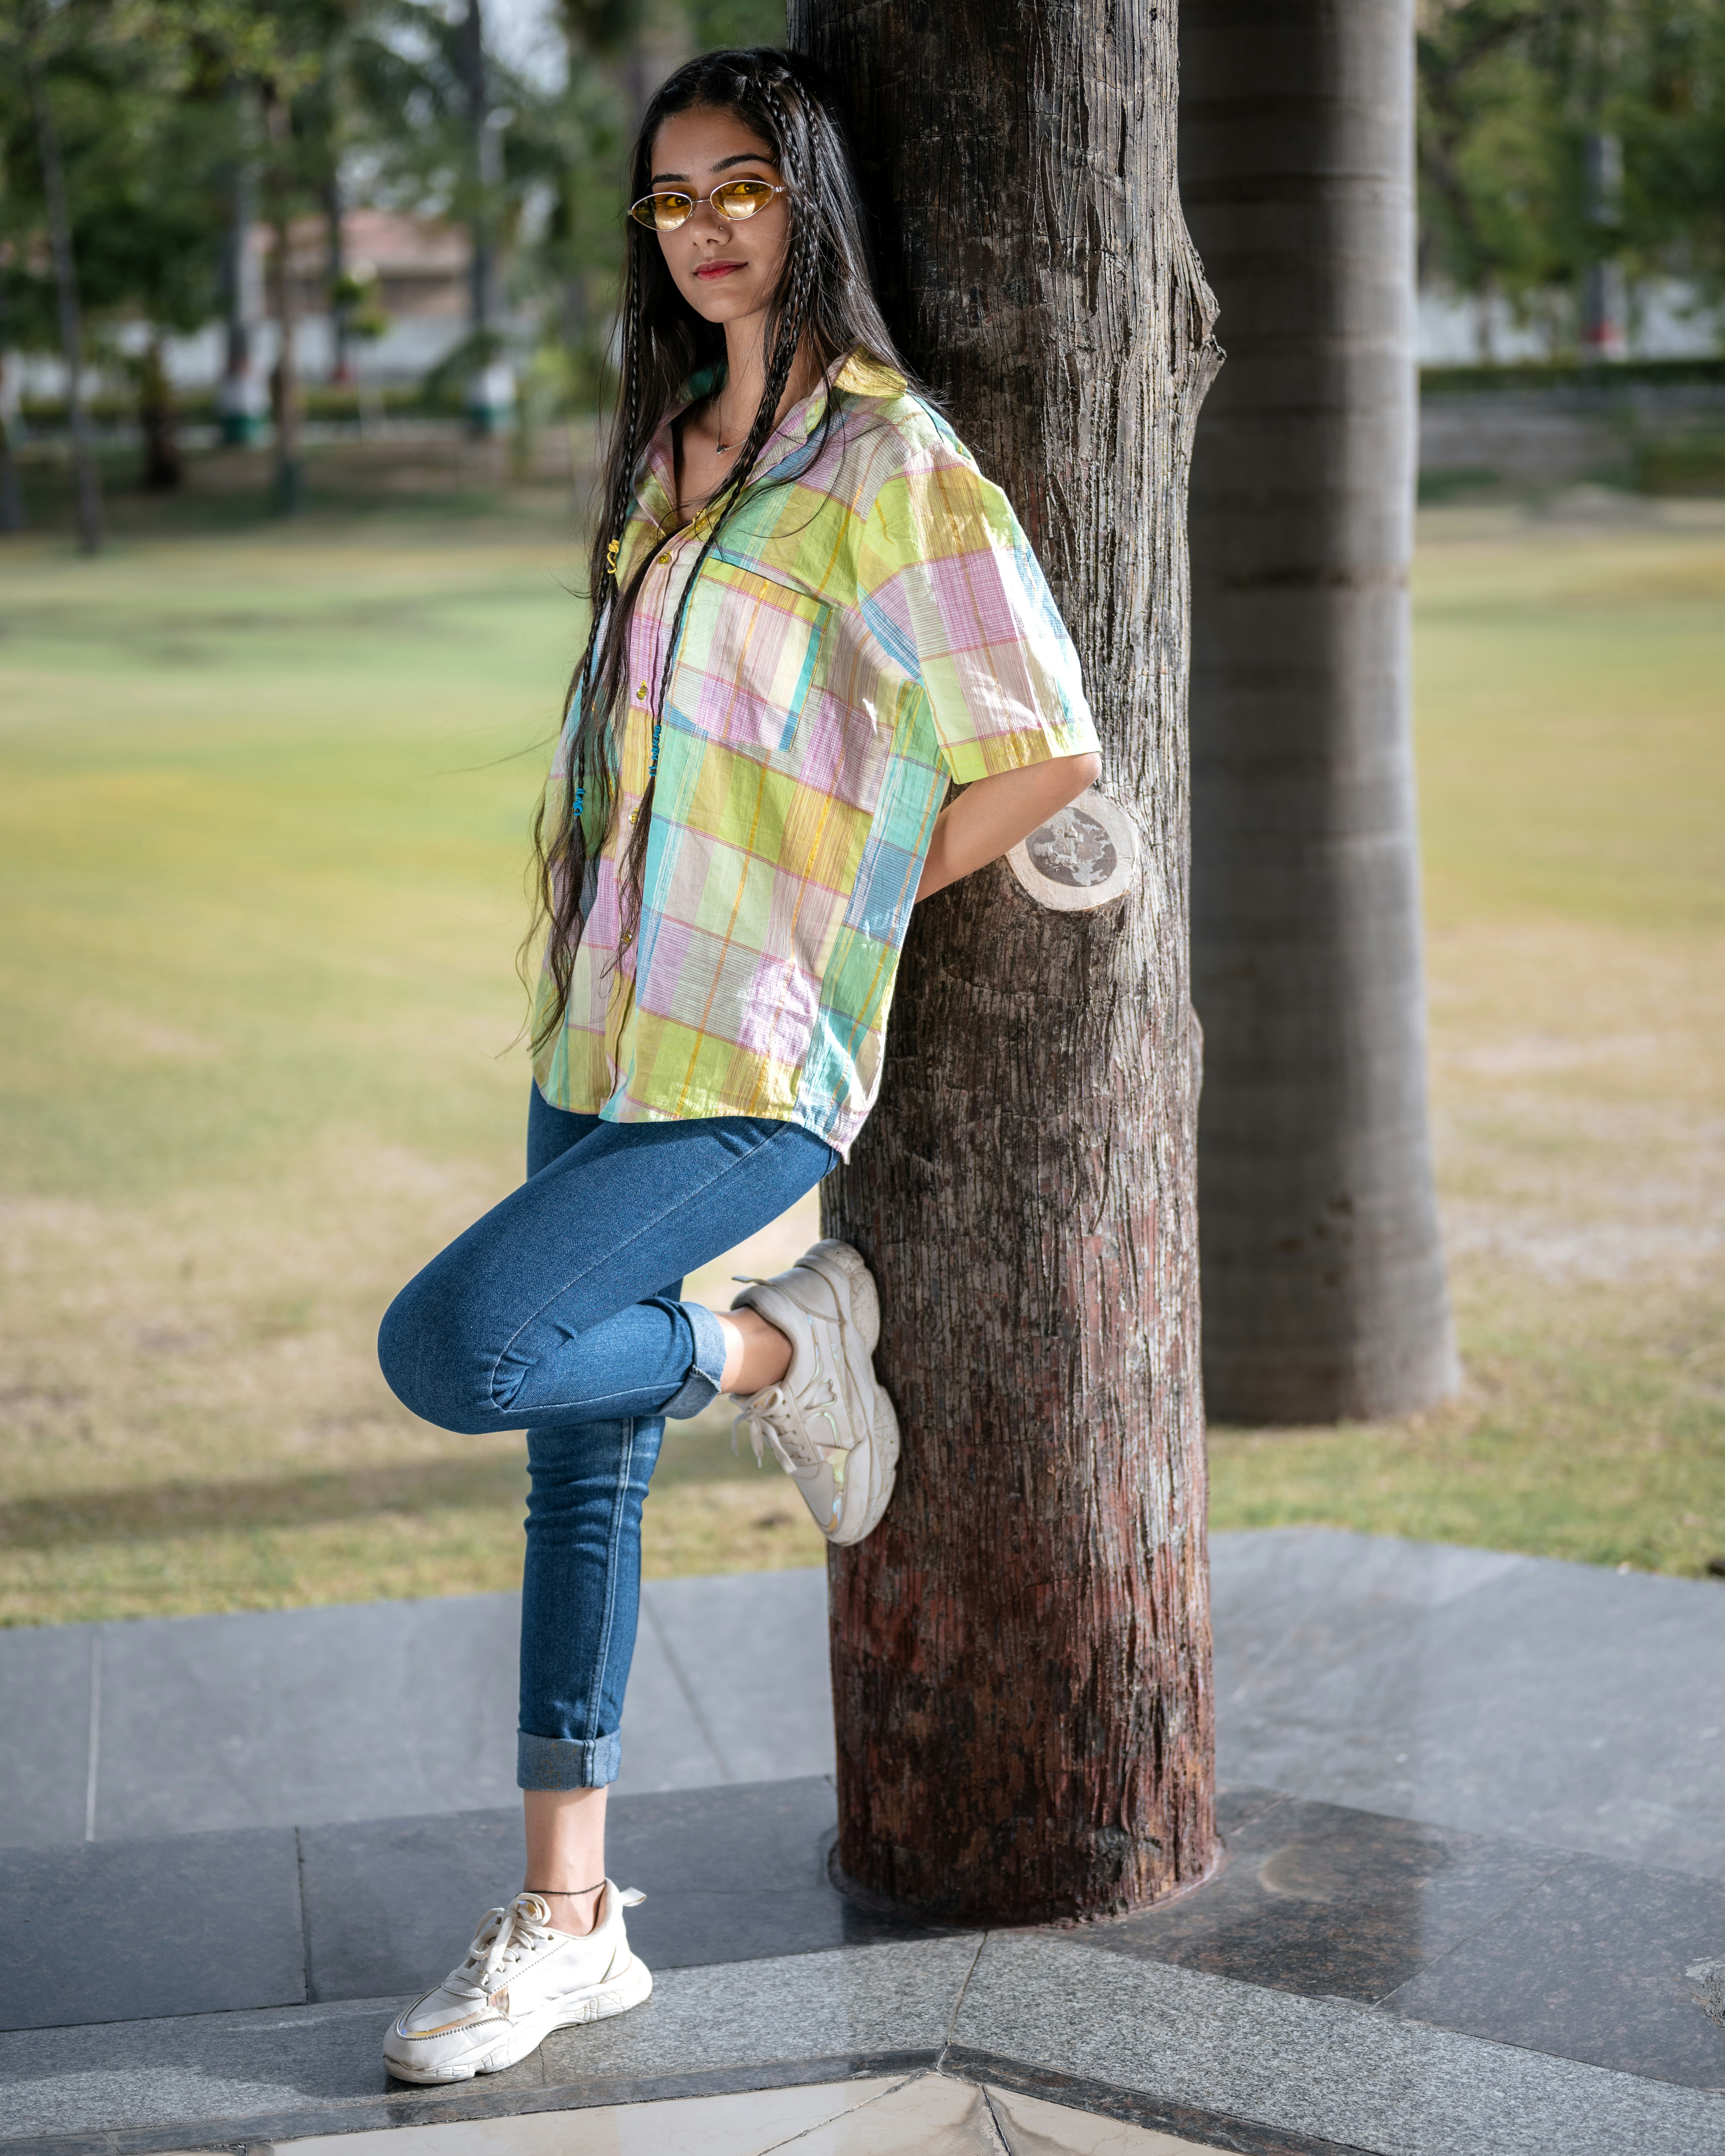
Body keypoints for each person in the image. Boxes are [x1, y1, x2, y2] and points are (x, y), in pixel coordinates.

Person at [373, 44, 1100, 2086]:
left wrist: (844, 928)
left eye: (743, 188)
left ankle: (781, 1349)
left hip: (751, 1056)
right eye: (673, 198)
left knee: (463, 1348)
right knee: (570, 1472)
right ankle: (568, 1919)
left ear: (812, 204)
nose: (707, 229)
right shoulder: (671, 443)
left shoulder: (887, 462)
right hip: (601, 1021)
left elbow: (1040, 743)